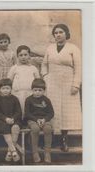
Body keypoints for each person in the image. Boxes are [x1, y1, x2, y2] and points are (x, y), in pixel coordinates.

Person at [41, 24, 82, 152]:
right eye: (56, 33)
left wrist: (76, 84)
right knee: (52, 109)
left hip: (68, 82)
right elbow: (44, 64)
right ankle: (51, 140)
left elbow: (78, 68)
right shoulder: (50, 48)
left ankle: (64, 140)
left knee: (66, 111)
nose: (58, 35)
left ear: (66, 34)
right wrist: (45, 76)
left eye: (61, 32)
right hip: (52, 82)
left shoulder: (73, 48)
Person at [25, 79, 54, 163]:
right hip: (32, 119)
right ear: (32, 90)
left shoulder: (47, 100)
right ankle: (35, 153)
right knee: (35, 129)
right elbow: (27, 113)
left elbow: (51, 113)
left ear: (44, 91)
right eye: (35, 90)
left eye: (40, 90)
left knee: (48, 129)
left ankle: (47, 153)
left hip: (44, 119)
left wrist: (44, 119)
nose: (37, 92)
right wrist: (36, 120)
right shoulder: (28, 99)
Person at [8, 45, 40, 118]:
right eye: (21, 55)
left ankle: (29, 121)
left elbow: (38, 81)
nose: (23, 57)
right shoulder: (14, 68)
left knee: (29, 108)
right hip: (17, 93)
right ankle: (19, 121)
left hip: (30, 93)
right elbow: (9, 81)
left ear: (29, 56)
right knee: (19, 108)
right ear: (17, 56)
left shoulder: (33, 68)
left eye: (25, 55)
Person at [0, 79, 21, 162]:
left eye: (7, 88)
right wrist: (5, 119)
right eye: (3, 88)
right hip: (2, 120)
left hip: (14, 119)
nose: (5, 90)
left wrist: (13, 118)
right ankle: (13, 150)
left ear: (11, 89)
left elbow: (18, 112)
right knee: (5, 127)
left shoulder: (15, 99)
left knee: (15, 127)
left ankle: (9, 152)